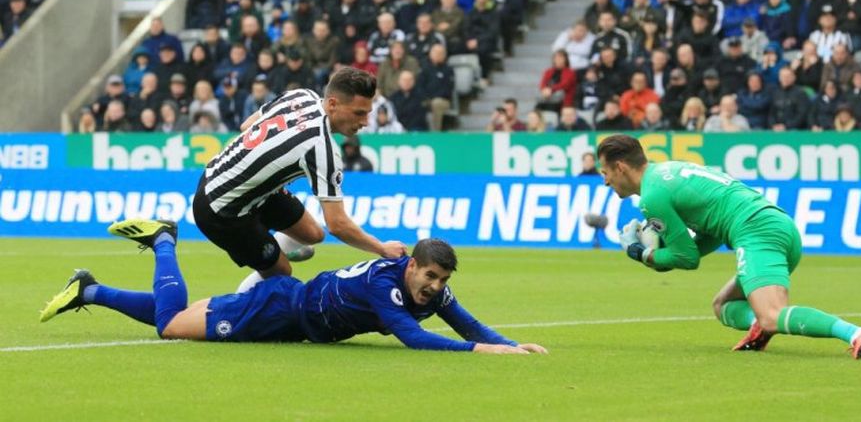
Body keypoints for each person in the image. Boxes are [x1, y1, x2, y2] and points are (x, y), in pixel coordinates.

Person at [39, 220, 548, 355]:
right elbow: (412, 338)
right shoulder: (385, 285)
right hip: (280, 308)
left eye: (440, 282)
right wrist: (483, 352)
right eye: (429, 276)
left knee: (188, 315)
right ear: (411, 266)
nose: (433, 288)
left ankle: (90, 291)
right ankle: (165, 240)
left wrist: (508, 344)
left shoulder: (431, 292)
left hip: (292, 312)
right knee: (173, 327)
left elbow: (467, 322)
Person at [596, 134, 861, 359]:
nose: (605, 181)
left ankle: (856, 333)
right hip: (778, 226)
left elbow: (686, 257)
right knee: (722, 305)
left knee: (773, 314)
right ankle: (758, 325)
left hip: (757, 231)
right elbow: (707, 235)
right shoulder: (668, 171)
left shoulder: (652, 197)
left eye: (605, 172)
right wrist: (662, 254)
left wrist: (639, 251)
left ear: (620, 167)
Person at [195, 68, 407, 291]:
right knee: (281, 273)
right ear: (333, 104)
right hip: (221, 210)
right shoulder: (321, 147)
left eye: (367, 113)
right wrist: (382, 249)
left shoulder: (301, 96)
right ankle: (235, 311)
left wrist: (267, 167)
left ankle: (268, 251)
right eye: (358, 113)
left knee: (312, 234)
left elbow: (247, 125)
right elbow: (337, 224)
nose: (365, 122)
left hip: (217, 175)